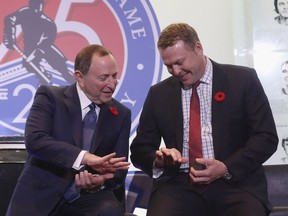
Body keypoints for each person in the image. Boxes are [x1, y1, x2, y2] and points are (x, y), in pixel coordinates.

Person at [130, 23, 278, 216]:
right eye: (168, 66)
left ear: (198, 48)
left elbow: (266, 137)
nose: (175, 71)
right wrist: (159, 161)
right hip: (178, 186)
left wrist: (226, 167)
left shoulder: (242, 80)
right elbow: (140, 150)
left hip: (235, 183)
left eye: (180, 62)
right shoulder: (159, 94)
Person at [6, 44, 131, 216]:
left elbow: (119, 169)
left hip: (88, 197)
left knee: (110, 211)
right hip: (41, 192)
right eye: (103, 78)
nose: (112, 84)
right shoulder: (50, 97)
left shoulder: (121, 114)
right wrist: (86, 158)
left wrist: (100, 182)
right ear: (80, 77)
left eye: (114, 76)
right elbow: (35, 141)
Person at [3, 0, 74, 85]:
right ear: (30, 4)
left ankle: (78, 87)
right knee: (28, 64)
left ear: (42, 5)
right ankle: (44, 78)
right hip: (30, 47)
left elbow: (44, 44)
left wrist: (34, 55)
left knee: (62, 68)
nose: (36, 9)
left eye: (38, 5)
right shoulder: (24, 13)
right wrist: (9, 36)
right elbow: (10, 19)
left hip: (46, 48)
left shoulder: (48, 24)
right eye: (34, 5)